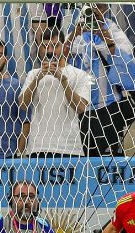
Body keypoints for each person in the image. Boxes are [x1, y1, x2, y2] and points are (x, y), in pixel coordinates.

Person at [18, 28, 91, 157]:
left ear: (64, 46)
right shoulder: (33, 74)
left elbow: (81, 107)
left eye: (55, 46)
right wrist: (37, 79)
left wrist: (62, 80)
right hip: (38, 147)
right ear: (39, 48)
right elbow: (23, 104)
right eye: (45, 46)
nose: (50, 51)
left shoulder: (80, 74)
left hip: (69, 148)